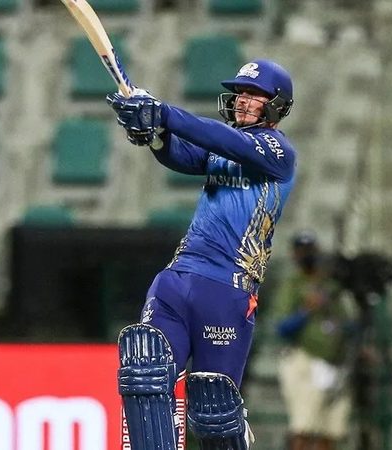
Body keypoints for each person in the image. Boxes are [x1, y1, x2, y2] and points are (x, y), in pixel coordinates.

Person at [107, 59, 296, 449]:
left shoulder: (278, 153)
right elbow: (180, 154)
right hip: (178, 278)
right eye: (240, 94)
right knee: (146, 375)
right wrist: (153, 133)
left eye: (254, 95)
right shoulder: (224, 147)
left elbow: (222, 139)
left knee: (214, 412)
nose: (242, 101)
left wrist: (163, 113)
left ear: (277, 105)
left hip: (227, 290)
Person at [273, 231, 354, 450]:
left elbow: (347, 322)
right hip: (305, 360)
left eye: (310, 250)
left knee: (330, 429)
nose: (307, 255)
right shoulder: (292, 284)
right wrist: (306, 309)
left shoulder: (331, 285)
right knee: (304, 427)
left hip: (334, 362)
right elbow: (281, 327)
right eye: (302, 251)